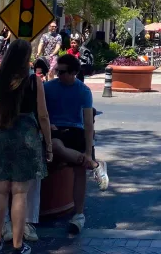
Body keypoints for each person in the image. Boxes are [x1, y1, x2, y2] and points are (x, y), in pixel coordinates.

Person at [0, 39, 51, 254]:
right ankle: (17, 245)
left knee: (0, 191)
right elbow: (43, 115)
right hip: (27, 137)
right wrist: (48, 145)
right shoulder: (34, 82)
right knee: (20, 193)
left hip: (2, 136)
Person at [44, 54, 109, 235]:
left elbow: (88, 123)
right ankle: (95, 165)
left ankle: (78, 214)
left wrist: (88, 151)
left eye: (63, 72)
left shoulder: (83, 91)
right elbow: (38, 110)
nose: (58, 75)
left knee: (79, 172)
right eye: (57, 71)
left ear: (74, 73)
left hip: (76, 131)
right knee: (55, 146)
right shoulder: (47, 88)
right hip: (55, 131)